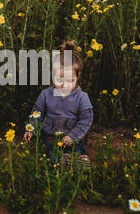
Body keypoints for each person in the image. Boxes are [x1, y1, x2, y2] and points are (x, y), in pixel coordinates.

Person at [23, 40, 93, 168]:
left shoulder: (82, 97)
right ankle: (60, 162)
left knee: (77, 149)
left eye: (70, 80)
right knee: (52, 152)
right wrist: (31, 129)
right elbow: (37, 114)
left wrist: (73, 136)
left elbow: (86, 119)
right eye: (59, 80)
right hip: (52, 136)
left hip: (74, 137)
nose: (64, 84)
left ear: (78, 76)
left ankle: (79, 161)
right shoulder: (46, 95)